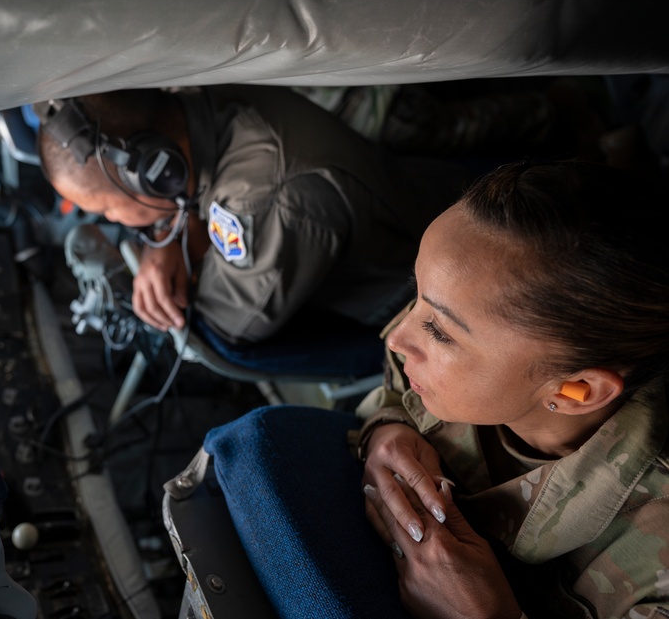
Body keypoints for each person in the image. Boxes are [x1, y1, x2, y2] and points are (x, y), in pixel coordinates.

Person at [193, 159, 669, 618]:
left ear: (575, 391)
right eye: (416, 294)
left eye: (440, 332)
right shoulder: (471, 336)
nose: (399, 338)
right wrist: (387, 427)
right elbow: (396, 387)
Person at [34, 85, 472, 348]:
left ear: (152, 170)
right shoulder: (200, 102)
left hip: (420, 298)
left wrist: (181, 261)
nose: (116, 222)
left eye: (106, 207)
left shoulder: (266, 200)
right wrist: (168, 234)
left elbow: (232, 324)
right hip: (424, 186)